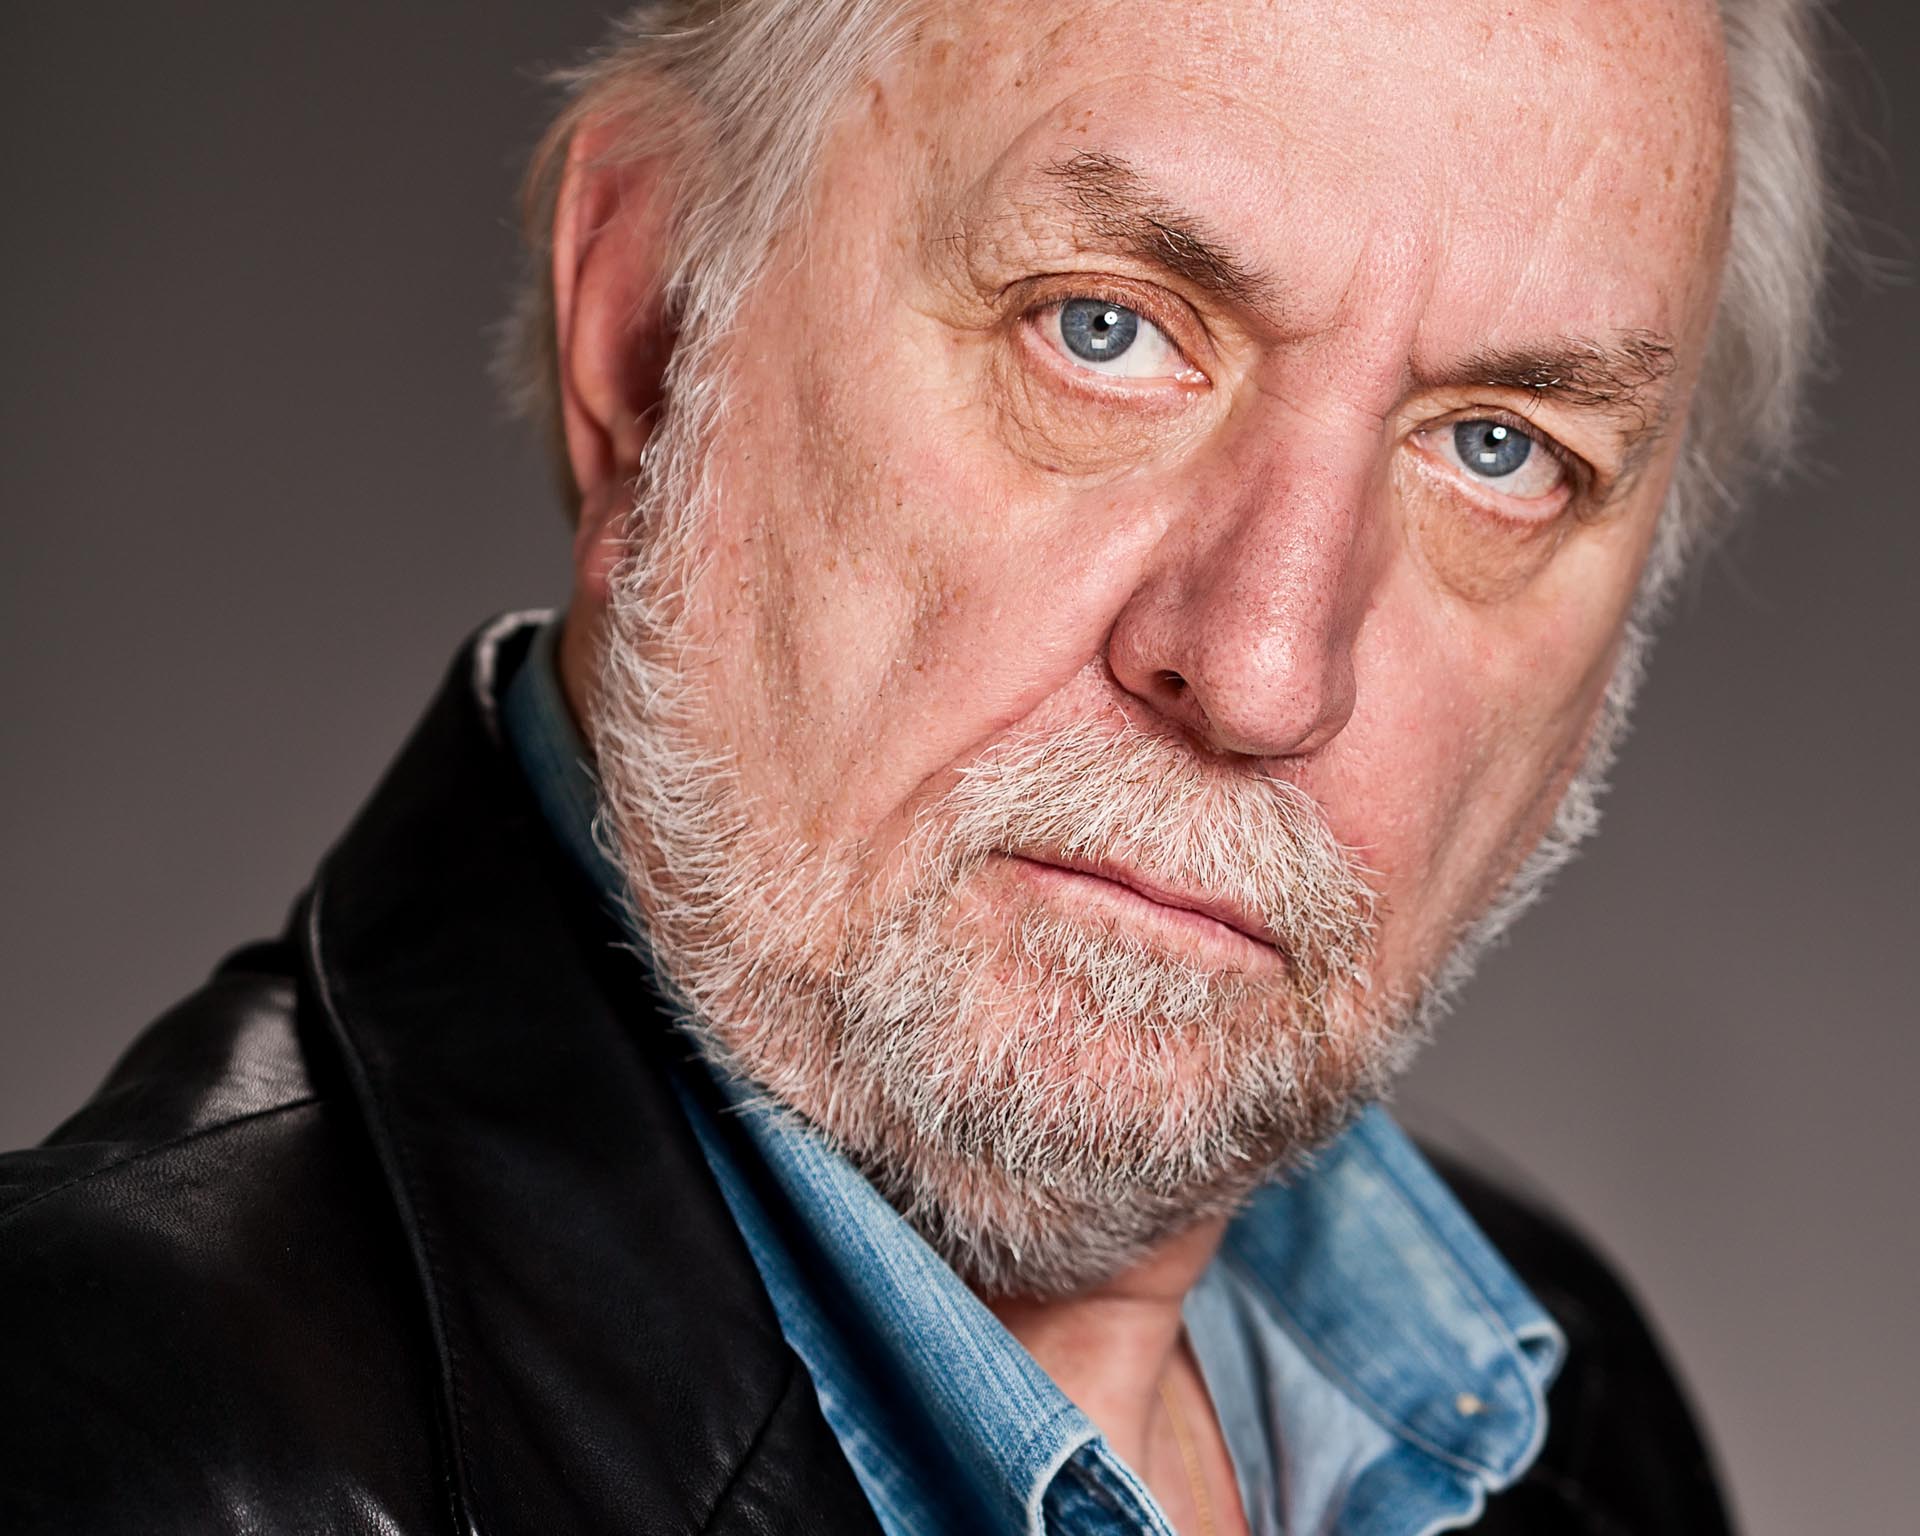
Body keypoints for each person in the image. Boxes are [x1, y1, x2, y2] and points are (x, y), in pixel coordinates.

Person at [0, 0, 1831, 1532]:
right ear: (649, 333)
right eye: (1102, 329)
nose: (1267, 670)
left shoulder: (1568, 1413)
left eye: (1501, 448)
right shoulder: (136, 1453)